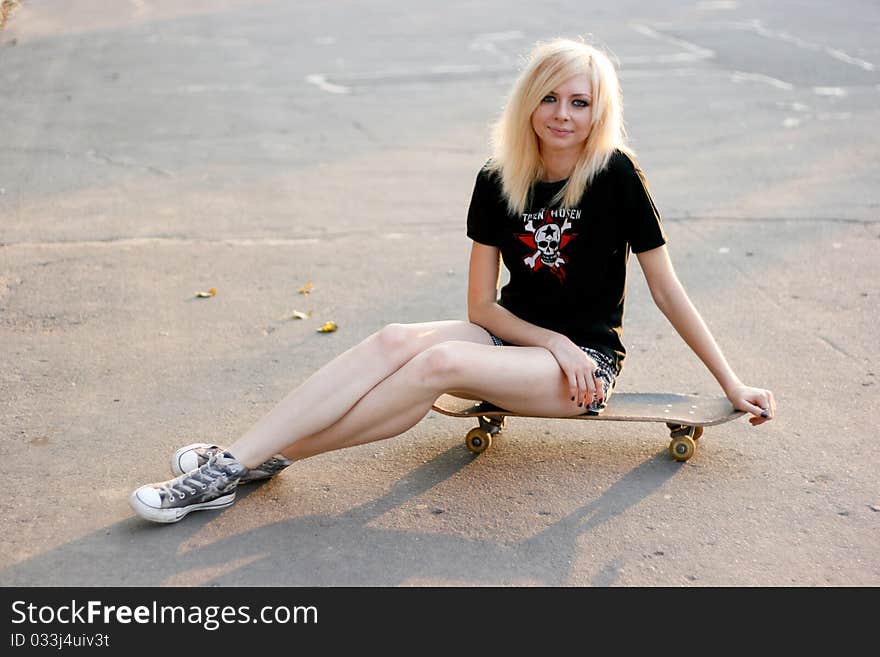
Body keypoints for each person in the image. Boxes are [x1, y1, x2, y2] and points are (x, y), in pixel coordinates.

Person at [130, 37, 776, 523]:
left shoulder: (616, 175)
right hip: (521, 341)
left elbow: (666, 289)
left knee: (436, 361)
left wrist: (730, 382)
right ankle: (238, 462)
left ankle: (241, 465)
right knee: (392, 339)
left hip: (585, 367)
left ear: (598, 111)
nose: (562, 114)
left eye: (580, 102)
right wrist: (547, 339)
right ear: (528, 102)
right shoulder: (498, 179)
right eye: (549, 97)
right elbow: (480, 306)